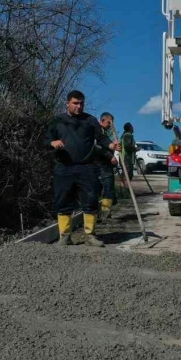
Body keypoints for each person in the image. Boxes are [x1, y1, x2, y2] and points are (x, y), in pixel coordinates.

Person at [45, 90, 119, 247]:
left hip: (87, 167)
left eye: (81, 103)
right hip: (64, 167)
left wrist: (112, 145)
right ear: (67, 103)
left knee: (90, 200)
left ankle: (90, 236)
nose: (79, 106)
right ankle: (65, 236)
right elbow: (46, 139)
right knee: (63, 201)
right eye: (75, 103)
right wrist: (52, 143)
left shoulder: (90, 120)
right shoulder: (58, 120)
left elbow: (101, 138)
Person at [97, 112, 119, 219]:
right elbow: (98, 148)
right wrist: (110, 156)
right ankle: (104, 212)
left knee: (106, 188)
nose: (110, 125)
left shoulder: (104, 133)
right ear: (102, 121)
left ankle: (105, 212)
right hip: (101, 164)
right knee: (107, 188)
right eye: (109, 123)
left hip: (105, 164)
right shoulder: (97, 132)